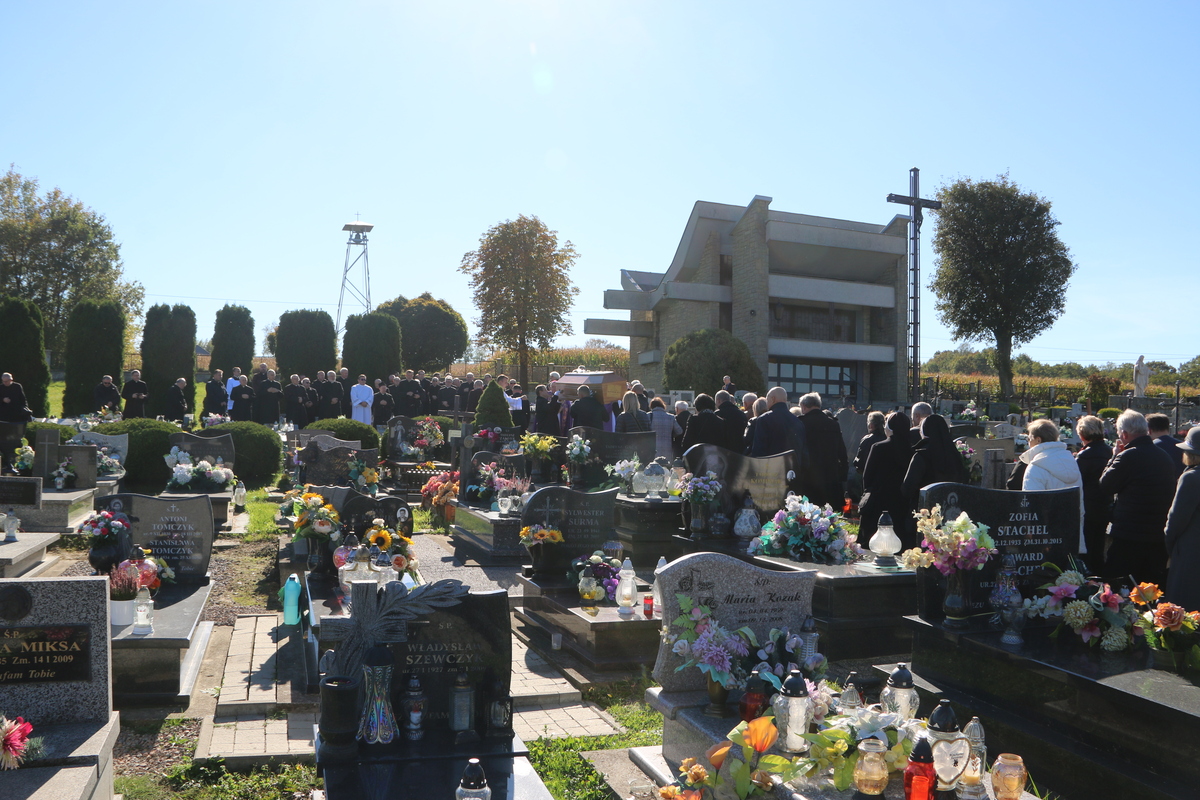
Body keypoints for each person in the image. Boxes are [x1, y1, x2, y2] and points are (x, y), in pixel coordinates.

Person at [1099, 409, 1176, 587]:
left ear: (1124, 434)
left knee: (1118, 586)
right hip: (1157, 534)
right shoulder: (1163, 456)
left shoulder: (1128, 456)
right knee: (1151, 589)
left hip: (1129, 534)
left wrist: (1114, 456)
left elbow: (1106, 485)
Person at [860, 412, 915, 547]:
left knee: (873, 537)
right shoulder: (912, 450)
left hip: (878, 499)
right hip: (901, 501)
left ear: (890, 428)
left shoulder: (878, 447)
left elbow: (867, 476)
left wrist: (867, 492)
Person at [1164, 426, 1200, 611]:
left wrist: (1171, 549)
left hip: (1191, 555)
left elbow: (1175, 522)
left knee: (1184, 613)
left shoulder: (1191, 478)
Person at [1075, 415, 1113, 572]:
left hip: (1087, 507)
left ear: (1082, 435)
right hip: (1105, 506)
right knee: (1098, 547)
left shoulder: (1085, 456)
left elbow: (1077, 481)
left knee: (1087, 548)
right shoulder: (1109, 451)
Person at [902, 414, 965, 509]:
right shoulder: (954, 454)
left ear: (925, 431)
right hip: (951, 508)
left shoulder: (921, 455)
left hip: (924, 510)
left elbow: (907, 489)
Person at [796, 393, 847, 509]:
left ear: (803, 406)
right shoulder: (833, 424)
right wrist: (842, 476)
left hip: (808, 478)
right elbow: (842, 452)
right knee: (830, 514)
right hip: (830, 478)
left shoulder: (801, 423)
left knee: (808, 515)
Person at [854, 411, 887, 476]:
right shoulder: (888, 438)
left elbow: (860, 460)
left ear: (871, 425)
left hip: (869, 474)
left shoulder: (867, 440)